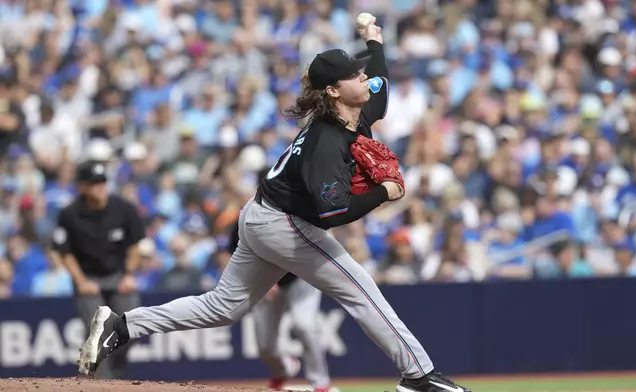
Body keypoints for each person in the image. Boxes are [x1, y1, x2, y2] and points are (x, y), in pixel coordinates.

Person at [77, 18, 470, 392]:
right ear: (333, 90)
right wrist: (384, 192)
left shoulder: (358, 108)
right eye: (353, 74)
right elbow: (331, 213)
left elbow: (380, 76)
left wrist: (374, 40)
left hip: (262, 214)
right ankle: (419, 376)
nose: (363, 76)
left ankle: (123, 325)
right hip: (285, 222)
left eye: (360, 70)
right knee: (361, 290)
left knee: (223, 307)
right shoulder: (325, 143)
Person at [53, 160, 145, 379]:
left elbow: (135, 247)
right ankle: (103, 383)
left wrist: (129, 275)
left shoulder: (124, 209)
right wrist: (81, 281)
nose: (99, 187)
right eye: (93, 183)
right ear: (82, 186)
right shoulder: (70, 214)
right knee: (98, 332)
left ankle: (113, 369)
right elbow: (65, 253)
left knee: (134, 327)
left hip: (119, 276)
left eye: (102, 182)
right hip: (88, 279)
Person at [228, 218, 331, 392]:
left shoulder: (295, 215)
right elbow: (232, 253)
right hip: (265, 284)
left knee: (304, 326)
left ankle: (320, 382)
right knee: (265, 346)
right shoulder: (244, 219)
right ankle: (282, 369)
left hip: (301, 279)